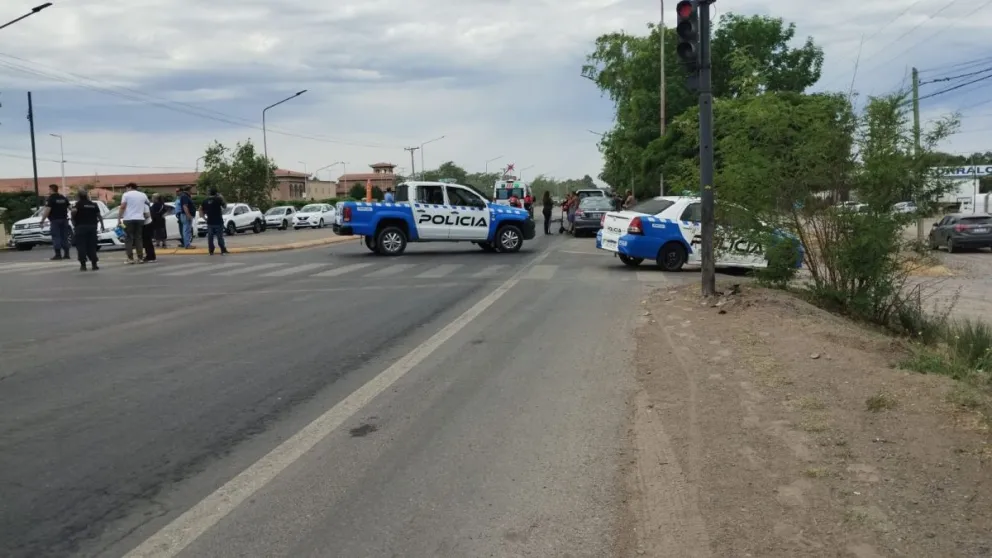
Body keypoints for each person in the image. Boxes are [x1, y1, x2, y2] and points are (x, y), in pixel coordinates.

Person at [70, 189, 105, 271]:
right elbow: (99, 216)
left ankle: (83, 265)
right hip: (92, 227)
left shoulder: (77, 205)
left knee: (81, 246)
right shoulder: (94, 204)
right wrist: (102, 225)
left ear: (78, 196)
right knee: (92, 246)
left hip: (80, 227)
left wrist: (73, 221)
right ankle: (94, 264)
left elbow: (73, 213)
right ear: (87, 196)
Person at [117, 182, 149, 264]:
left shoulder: (126, 195)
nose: (126, 189)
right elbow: (147, 204)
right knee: (138, 238)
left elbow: (123, 206)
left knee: (128, 238)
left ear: (130, 187)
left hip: (128, 219)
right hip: (140, 219)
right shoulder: (143, 195)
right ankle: (140, 258)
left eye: (126, 188)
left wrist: (119, 218)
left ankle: (130, 258)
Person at [38, 184, 71, 260]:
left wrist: (42, 220)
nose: (48, 191)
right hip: (64, 220)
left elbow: (47, 210)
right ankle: (66, 254)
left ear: (51, 189)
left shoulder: (51, 199)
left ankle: (58, 255)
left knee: (56, 237)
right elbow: (70, 207)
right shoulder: (63, 198)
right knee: (64, 237)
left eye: (49, 189)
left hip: (55, 221)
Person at [199, 187, 229, 255]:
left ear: (209, 193)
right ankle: (223, 250)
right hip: (218, 221)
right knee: (220, 237)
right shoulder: (218, 199)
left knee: (210, 238)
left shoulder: (205, 201)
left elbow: (200, 210)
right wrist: (222, 197)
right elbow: (225, 206)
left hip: (210, 222)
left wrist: (204, 218)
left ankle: (211, 251)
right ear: (216, 193)